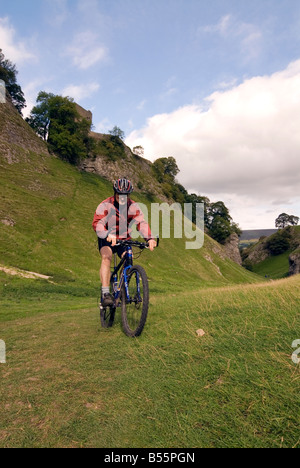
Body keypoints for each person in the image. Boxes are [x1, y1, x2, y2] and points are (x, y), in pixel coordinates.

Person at [92, 178, 157, 306]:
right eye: (119, 195)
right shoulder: (105, 205)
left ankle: (122, 288)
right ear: (114, 193)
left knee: (129, 258)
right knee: (107, 257)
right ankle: (105, 294)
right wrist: (107, 234)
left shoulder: (133, 207)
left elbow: (141, 223)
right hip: (107, 238)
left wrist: (149, 238)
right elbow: (97, 224)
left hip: (123, 239)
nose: (122, 198)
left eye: (125, 195)